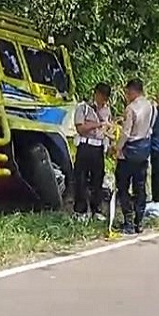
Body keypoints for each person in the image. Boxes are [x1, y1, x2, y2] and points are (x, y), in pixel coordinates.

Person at [114, 78, 156, 234]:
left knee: (123, 186)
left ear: (132, 91)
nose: (126, 95)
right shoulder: (151, 106)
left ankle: (128, 221)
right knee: (140, 187)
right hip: (144, 149)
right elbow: (151, 127)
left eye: (127, 92)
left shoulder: (131, 108)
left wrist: (117, 148)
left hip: (129, 150)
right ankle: (139, 221)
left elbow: (126, 132)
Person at [72, 83, 112, 221]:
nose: (103, 100)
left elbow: (107, 129)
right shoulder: (83, 108)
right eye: (101, 96)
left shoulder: (107, 110)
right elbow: (80, 128)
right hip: (85, 146)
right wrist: (97, 124)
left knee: (98, 179)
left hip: (99, 147)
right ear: (96, 94)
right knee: (81, 179)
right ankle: (80, 210)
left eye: (105, 97)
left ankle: (97, 209)